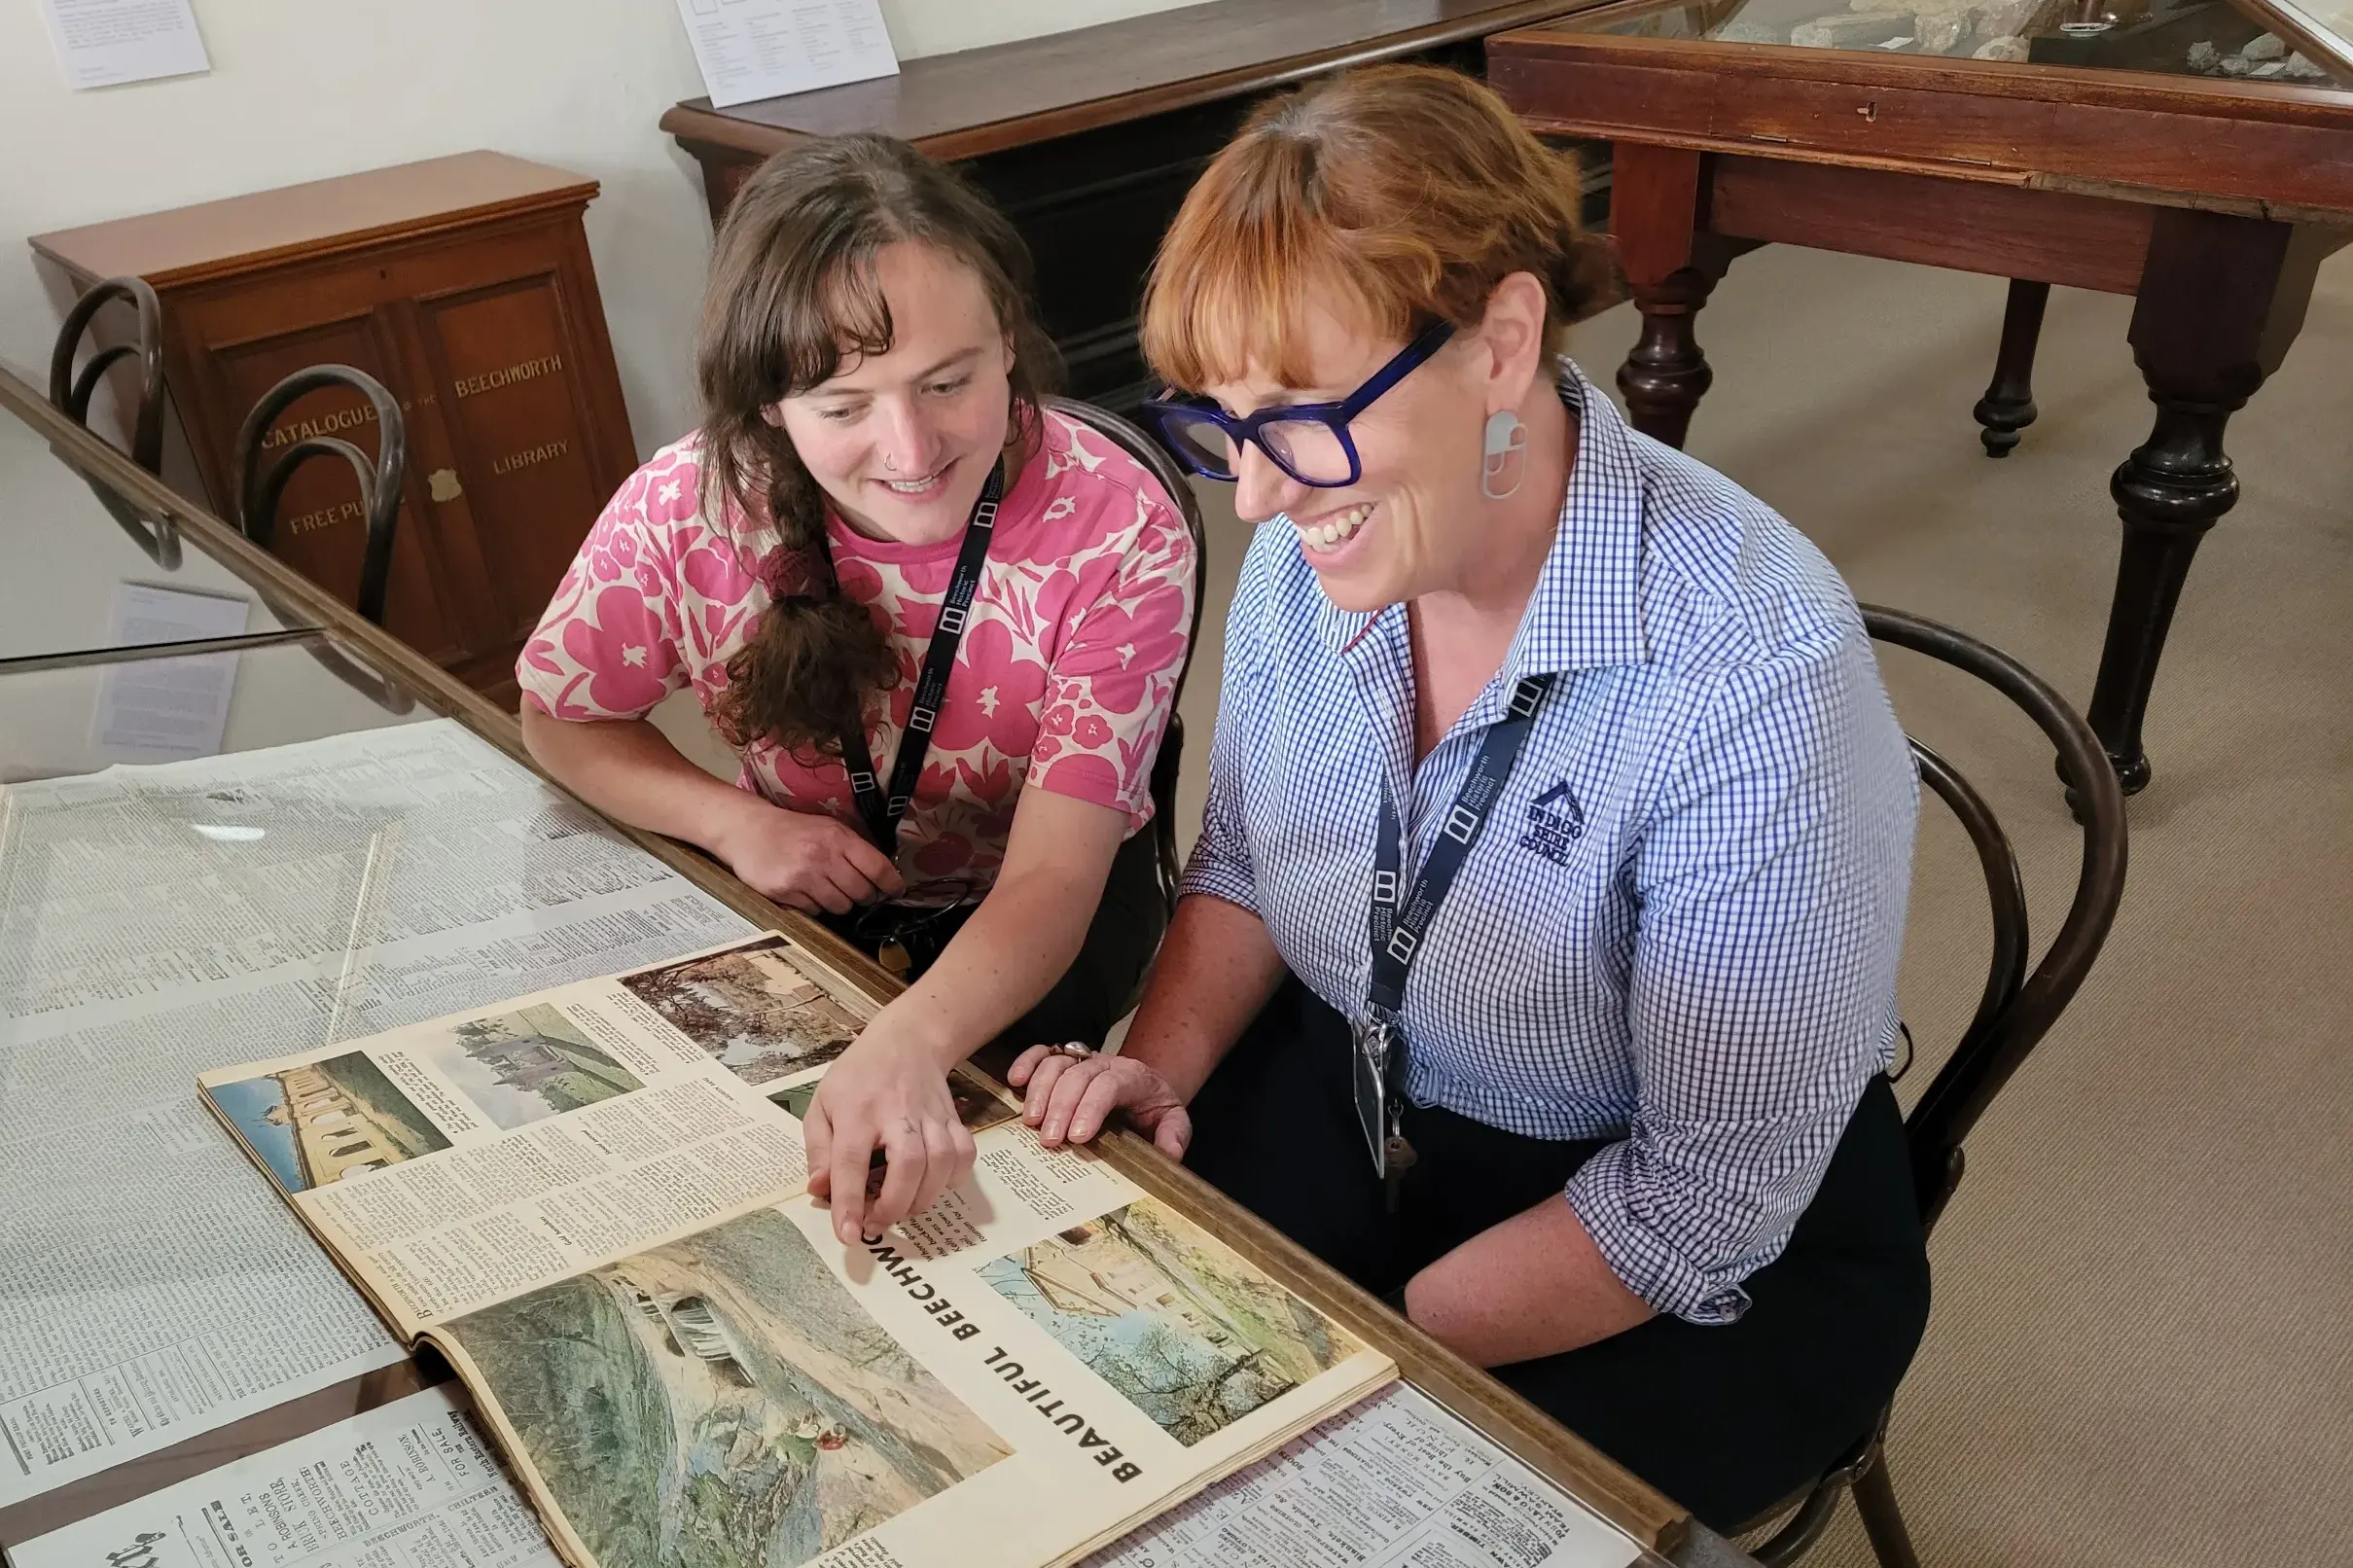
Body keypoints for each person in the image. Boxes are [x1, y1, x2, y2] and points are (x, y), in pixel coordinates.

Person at [1011, 65, 1929, 1530]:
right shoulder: (1323, 538)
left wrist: (1371, 1349)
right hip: (1357, 1090)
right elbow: (1250, 861)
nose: (1250, 497)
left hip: (1658, 1219)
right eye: (1221, 427)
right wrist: (1163, 1064)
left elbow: (1699, 1200)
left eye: (1297, 418)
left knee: (1333, 1508)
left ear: (1501, 341)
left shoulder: (1756, 675)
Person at [518, 134, 1194, 1247]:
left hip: (1031, 909)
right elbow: (563, 714)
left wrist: (909, 1041)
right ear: (767, 408)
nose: (912, 448)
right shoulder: (685, 506)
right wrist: (731, 821)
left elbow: (1053, 878)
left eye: (952, 382)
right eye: (843, 406)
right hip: (801, 885)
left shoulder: (1115, 525)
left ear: (1010, 347)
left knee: (987, 1196)